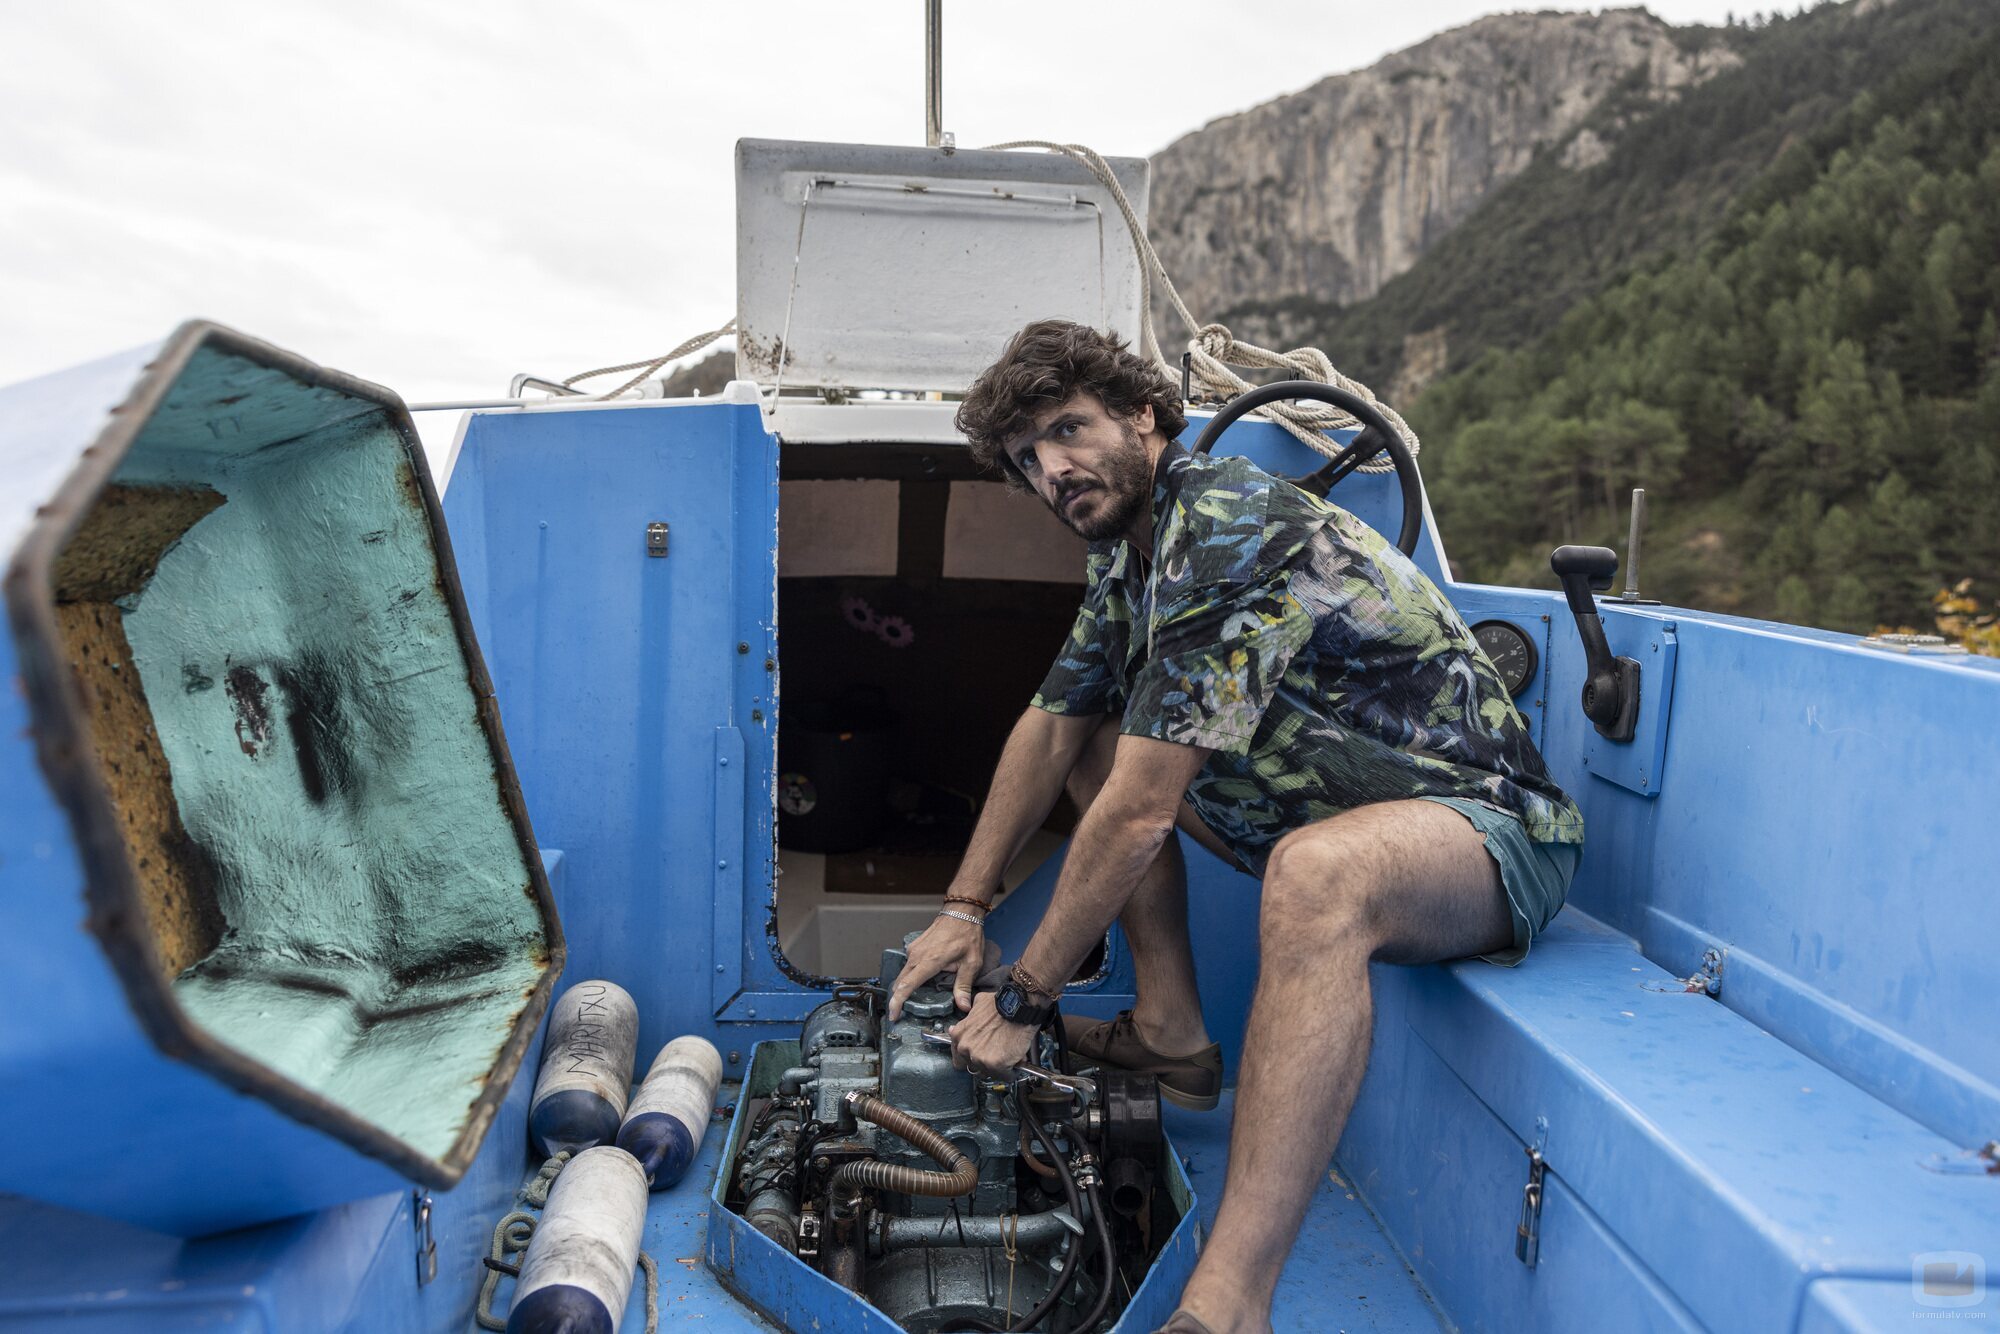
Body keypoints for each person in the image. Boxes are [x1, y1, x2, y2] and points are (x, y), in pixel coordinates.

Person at [885, 319, 1583, 1334]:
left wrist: (1025, 998)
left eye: (1069, 430)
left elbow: (1136, 817)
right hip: (1337, 811)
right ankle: (1169, 1032)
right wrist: (961, 904)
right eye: (1028, 458)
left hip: (1486, 828)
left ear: (1141, 414)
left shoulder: (1221, 525)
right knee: (1096, 739)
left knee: (1304, 870)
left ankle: (1228, 1303)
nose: (1054, 469)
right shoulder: (1128, 555)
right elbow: (1047, 726)